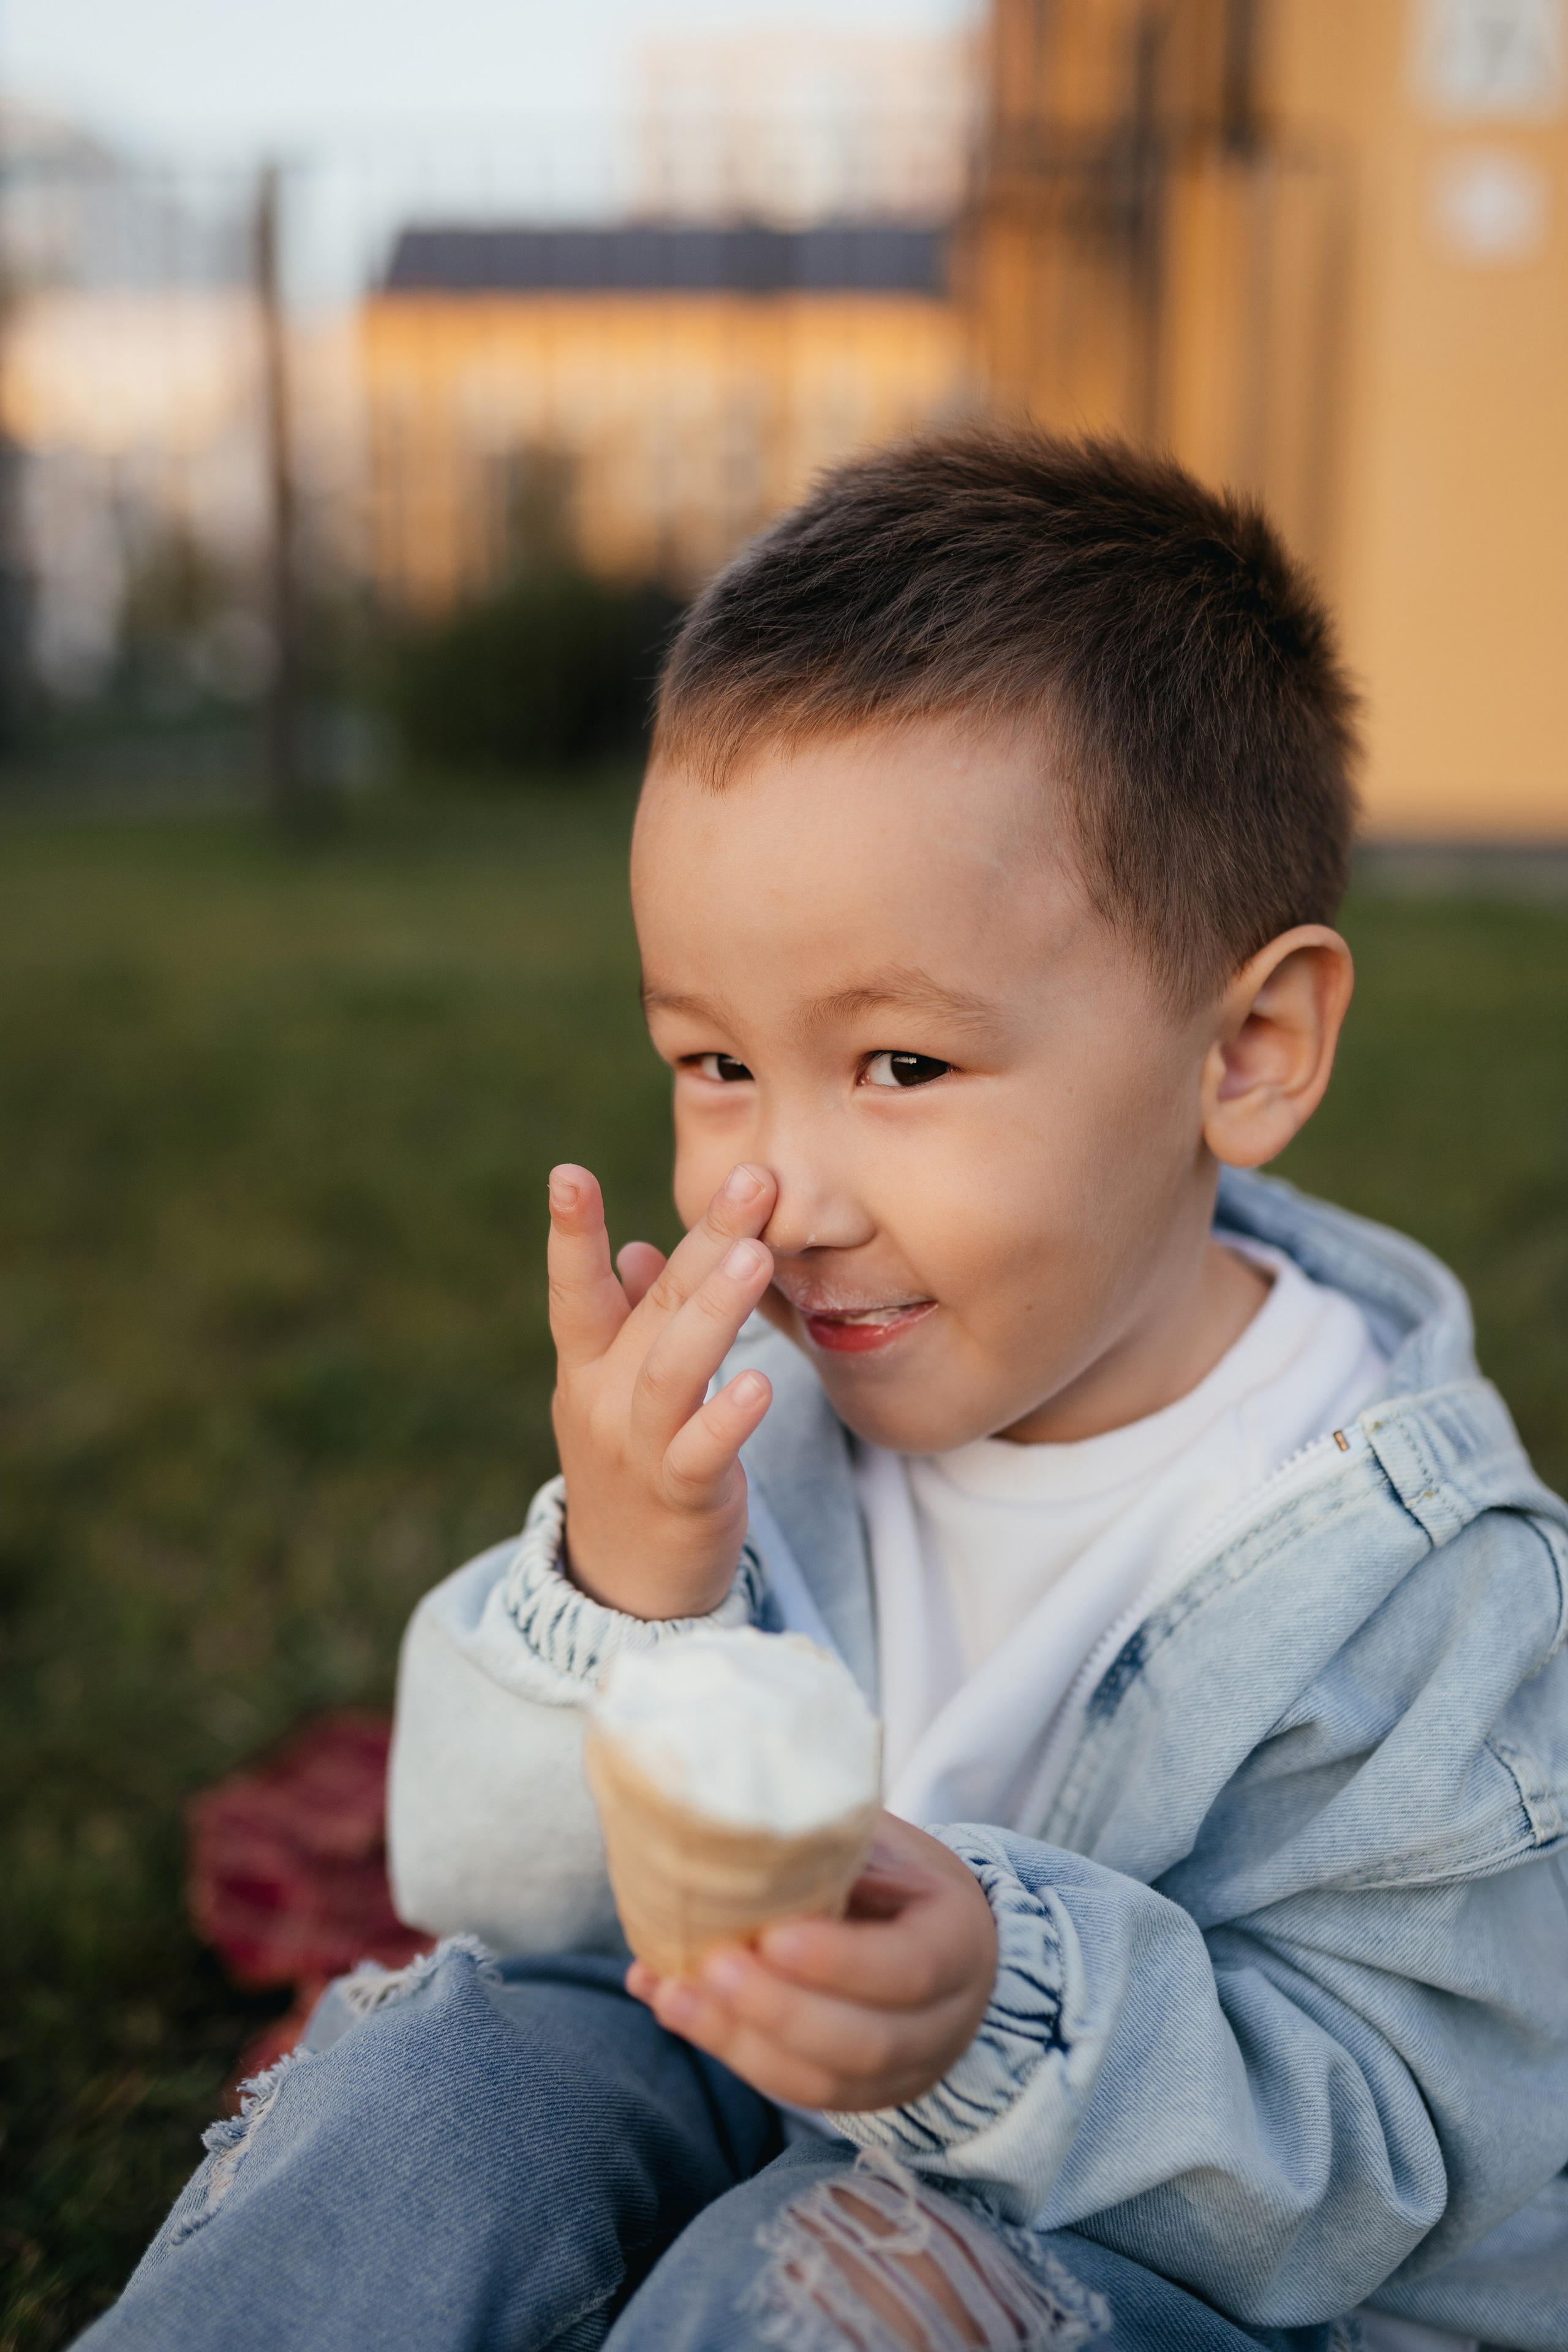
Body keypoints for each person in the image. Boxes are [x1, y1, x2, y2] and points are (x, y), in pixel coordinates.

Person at [81, 432, 1568, 2352]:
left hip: (1188, 2284)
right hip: (754, 2095)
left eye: (899, 1069)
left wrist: (997, 2022)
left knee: (815, 2282)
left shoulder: (1428, 1600)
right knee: (440, 2092)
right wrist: (625, 1591)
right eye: (711, 1065)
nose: (773, 1199)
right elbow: (495, 1892)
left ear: (1253, 1049)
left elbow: (1401, 2149)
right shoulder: (766, 1423)